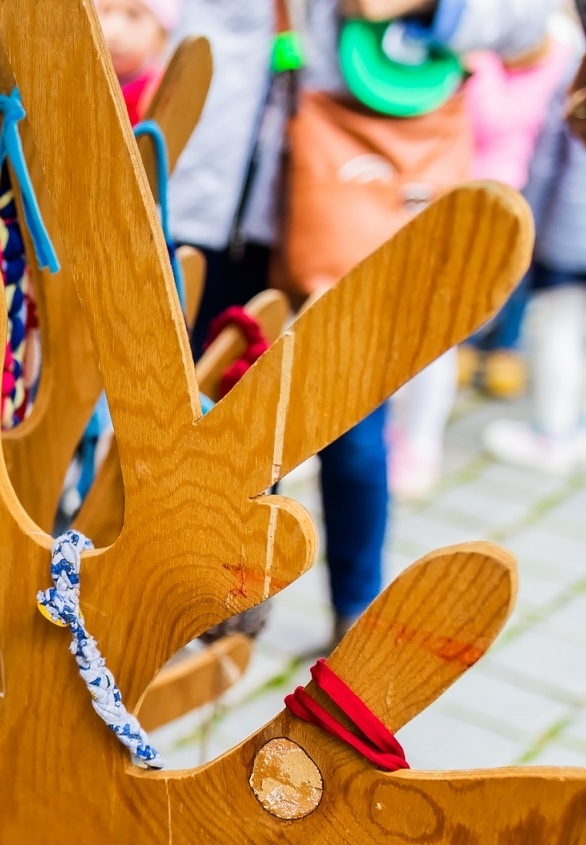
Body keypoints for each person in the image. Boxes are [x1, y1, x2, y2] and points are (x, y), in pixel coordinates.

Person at [170, 0, 552, 639]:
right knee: (214, 406)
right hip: (218, 202)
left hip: (349, 202)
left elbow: (530, 29)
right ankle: (208, 597)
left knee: (352, 423)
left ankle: (354, 618)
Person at [485, 30, 586, 475]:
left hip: (574, 225)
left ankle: (554, 434)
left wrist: (537, 224)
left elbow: (552, 153)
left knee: (559, 328)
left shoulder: (576, 65)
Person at [456, 37, 571, 400]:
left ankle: (502, 351)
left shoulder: (554, 54)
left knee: (508, 275)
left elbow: (493, 119)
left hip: (512, 186)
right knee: (472, 274)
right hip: (471, 182)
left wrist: (480, 64)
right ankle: (468, 347)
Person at [97, 0, 179, 124]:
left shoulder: (158, 92)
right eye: (106, 10)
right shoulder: (80, 74)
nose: (113, 30)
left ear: (160, 37)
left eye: (133, 15)